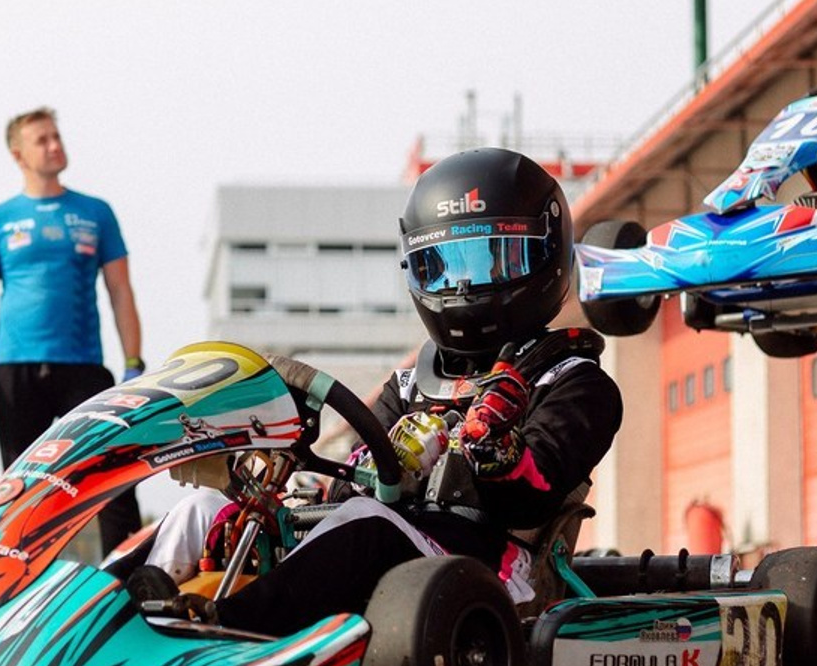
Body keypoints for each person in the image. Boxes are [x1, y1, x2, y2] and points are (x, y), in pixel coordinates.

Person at [135, 147, 623, 636]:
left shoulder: (575, 382)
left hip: (487, 572)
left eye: (492, 262)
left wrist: (495, 446)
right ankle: (126, 619)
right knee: (204, 510)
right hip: (385, 556)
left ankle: (225, 632)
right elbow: (347, 487)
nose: (463, 285)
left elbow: (531, 501)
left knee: (368, 523)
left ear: (545, 253)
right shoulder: (410, 382)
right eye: (444, 265)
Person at [0, 106, 143, 554]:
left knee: (113, 474)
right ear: (18, 155)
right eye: (42, 140)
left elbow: (120, 291)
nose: (54, 146)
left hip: (83, 367)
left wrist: (134, 362)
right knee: (22, 491)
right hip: (16, 367)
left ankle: (127, 576)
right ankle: (20, 580)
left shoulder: (95, 213)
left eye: (56, 136)